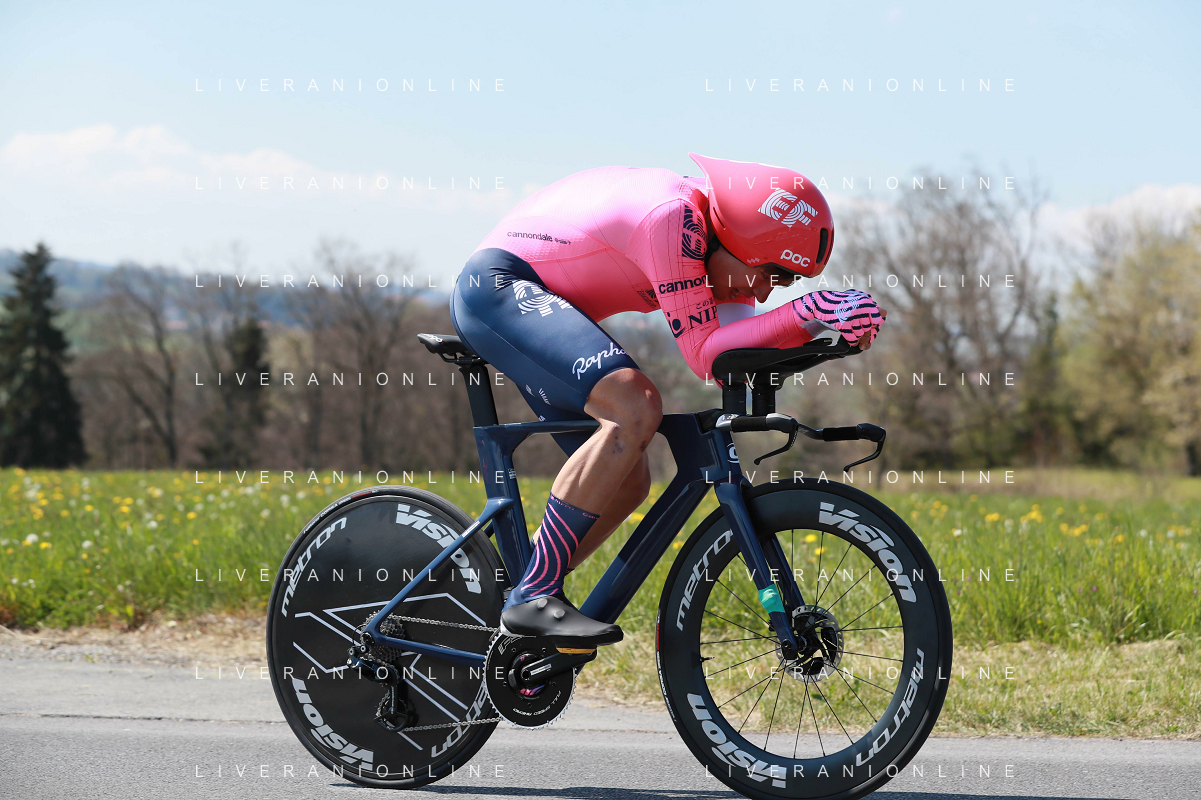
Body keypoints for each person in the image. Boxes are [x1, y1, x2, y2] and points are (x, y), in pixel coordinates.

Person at [450, 154, 885, 648]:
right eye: (770, 273)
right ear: (741, 241)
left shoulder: (723, 250)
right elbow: (705, 355)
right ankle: (533, 593)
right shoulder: (673, 220)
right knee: (635, 407)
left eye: (784, 283)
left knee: (627, 482)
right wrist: (810, 309)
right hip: (498, 286)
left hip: (545, 302)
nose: (766, 293)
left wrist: (827, 332)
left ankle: (501, 606)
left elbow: (735, 353)